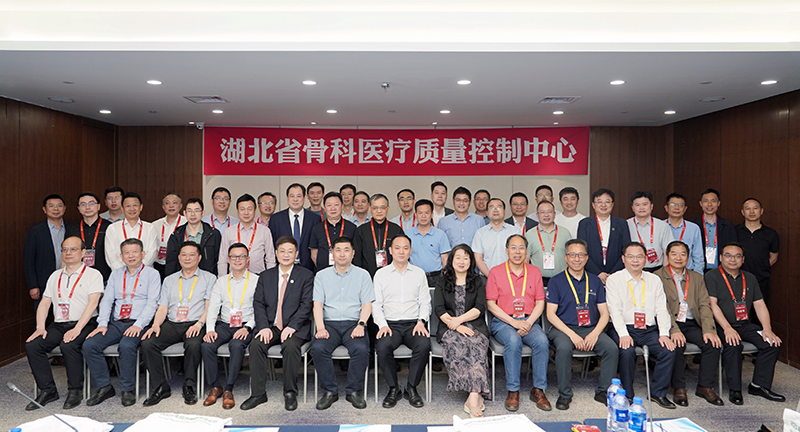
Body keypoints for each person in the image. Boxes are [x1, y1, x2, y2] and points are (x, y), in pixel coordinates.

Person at [25, 236, 103, 410]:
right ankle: (48, 390)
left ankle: (75, 390)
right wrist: (40, 327)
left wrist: (77, 329)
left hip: (85, 323)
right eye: (64, 249)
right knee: (33, 345)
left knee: (69, 345)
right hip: (59, 324)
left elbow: (93, 303)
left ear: (83, 252)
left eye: (73, 249)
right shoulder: (55, 276)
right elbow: (45, 302)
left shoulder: (93, 274)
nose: (68, 253)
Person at [83, 238, 161, 407]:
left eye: (135, 252)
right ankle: (104, 387)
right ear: (121, 256)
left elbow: (152, 303)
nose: (131, 256)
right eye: (126, 252)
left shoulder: (152, 274)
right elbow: (107, 300)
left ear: (143, 254)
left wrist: (139, 324)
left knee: (126, 346)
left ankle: (127, 389)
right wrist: (102, 323)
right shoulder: (116, 274)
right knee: (90, 344)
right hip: (117, 323)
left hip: (140, 323)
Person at [706, 242, 784, 405]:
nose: (732, 259)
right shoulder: (711, 276)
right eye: (728, 255)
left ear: (743, 259)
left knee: (771, 343)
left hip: (744, 324)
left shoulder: (749, 277)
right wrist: (727, 328)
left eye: (737, 256)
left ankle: (759, 385)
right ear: (720, 258)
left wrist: (767, 329)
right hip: (720, 325)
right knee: (733, 344)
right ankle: (735, 389)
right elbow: (712, 305)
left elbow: (759, 304)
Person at [242, 236, 314, 411]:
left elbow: (306, 305)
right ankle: (258, 393)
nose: (286, 255)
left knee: (290, 346)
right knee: (256, 345)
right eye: (282, 251)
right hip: (271, 326)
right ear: (276, 253)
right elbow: (258, 303)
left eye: (290, 251)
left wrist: (292, 326)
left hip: (295, 327)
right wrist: (264, 327)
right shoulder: (266, 276)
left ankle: (290, 393)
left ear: (296, 254)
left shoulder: (306, 275)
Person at [546, 239, 618, 410]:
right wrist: (572, 335)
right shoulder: (556, 281)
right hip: (563, 329)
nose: (576, 259)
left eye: (580, 255)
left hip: (590, 328)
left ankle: (603, 391)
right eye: (572, 255)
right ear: (566, 257)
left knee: (611, 349)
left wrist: (594, 334)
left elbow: (604, 313)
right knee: (564, 348)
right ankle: (565, 394)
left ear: (586, 258)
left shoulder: (595, 281)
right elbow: (550, 314)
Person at [141, 241, 215, 406]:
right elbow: (163, 307)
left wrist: (199, 324)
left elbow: (210, 307)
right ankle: (160, 386)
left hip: (196, 322)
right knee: (148, 343)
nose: (187, 258)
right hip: (173, 323)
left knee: (194, 345)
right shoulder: (169, 280)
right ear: (179, 258)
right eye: (184, 255)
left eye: (192, 255)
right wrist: (156, 324)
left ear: (199, 258)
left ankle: (189, 386)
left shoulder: (209, 278)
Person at [606, 242, 676, 408]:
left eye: (639, 256)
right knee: (627, 351)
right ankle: (627, 395)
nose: (635, 260)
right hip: (623, 327)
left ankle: (658, 393)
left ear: (646, 259)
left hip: (648, 329)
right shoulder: (614, 279)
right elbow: (614, 310)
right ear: (623, 259)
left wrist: (664, 334)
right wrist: (623, 334)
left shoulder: (654, 279)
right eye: (631, 256)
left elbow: (661, 308)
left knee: (668, 350)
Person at [486, 234, 551, 412]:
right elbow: (491, 304)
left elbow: (540, 303)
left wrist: (528, 322)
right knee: (513, 341)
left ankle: (538, 389)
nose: (517, 252)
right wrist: (514, 323)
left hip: (529, 320)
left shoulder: (534, 271)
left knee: (542, 341)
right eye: (513, 247)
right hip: (503, 321)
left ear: (526, 251)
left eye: (521, 248)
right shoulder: (496, 272)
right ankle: (513, 391)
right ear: (506, 251)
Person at [655, 241, 723, 406]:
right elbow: (661, 307)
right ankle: (679, 388)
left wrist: (708, 329)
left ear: (688, 257)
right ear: (667, 256)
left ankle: (705, 386)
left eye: (683, 254)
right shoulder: (657, 276)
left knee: (712, 344)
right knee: (677, 345)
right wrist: (673, 329)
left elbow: (704, 305)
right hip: (669, 323)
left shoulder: (697, 277)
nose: (678, 257)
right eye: (674, 254)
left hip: (692, 323)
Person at [311, 236, 375, 410]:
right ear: (332, 253)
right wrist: (320, 328)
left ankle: (353, 391)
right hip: (329, 324)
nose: (342, 254)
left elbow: (367, 304)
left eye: (346, 250)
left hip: (354, 323)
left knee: (361, 349)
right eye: (338, 250)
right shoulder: (321, 276)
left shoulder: (363, 275)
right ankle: (329, 392)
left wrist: (361, 325)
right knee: (318, 348)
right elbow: (317, 305)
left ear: (353, 253)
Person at [373, 234, 431, 408]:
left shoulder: (419, 273)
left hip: (414, 323)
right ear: (390, 251)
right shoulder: (381, 274)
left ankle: (411, 387)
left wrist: (421, 321)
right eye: (397, 248)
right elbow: (376, 304)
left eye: (405, 248)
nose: (401, 251)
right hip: (390, 325)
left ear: (410, 251)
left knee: (424, 345)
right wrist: (382, 325)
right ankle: (394, 388)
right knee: (382, 346)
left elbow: (425, 302)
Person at [433, 244, 490, 418]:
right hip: (449, 326)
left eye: (466, 258)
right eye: (458, 257)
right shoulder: (442, 281)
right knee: (458, 344)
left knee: (476, 344)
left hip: (474, 325)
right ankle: (476, 396)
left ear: (471, 261)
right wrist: (456, 325)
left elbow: (480, 308)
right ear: (451, 260)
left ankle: (473, 396)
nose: (462, 261)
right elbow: (439, 309)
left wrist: (460, 320)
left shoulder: (478, 281)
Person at [202, 243, 259, 409]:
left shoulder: (257, 280)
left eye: (242, 256)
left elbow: (260, 309)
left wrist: (248, 327)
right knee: (207, 345)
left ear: (248, 259)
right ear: (228, 259)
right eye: (234, 256)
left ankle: (228, 389)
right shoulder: (221, 281)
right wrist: (210, 329)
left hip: (246, 325)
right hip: (225, 324)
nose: (237, 260)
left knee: (236, 345)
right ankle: (216, 386)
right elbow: (213, 307)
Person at [25, 194, 73, 312]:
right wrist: (33, 285)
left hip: (69, 282)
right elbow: (28, 260)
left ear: (64, 208)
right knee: (43, 316)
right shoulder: (35, 231)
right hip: (44, 283)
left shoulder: (72, 228)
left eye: (59, 206)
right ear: (44, 209)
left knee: (67, 316)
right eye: (51, 206)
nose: (56, 209)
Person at [577, 189, 631, 284]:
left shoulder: (621, 223)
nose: (603, 205)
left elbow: (626, 250)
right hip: (591, 274)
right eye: (599, 202)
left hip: (617, 274)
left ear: (612, 204)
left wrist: (613, 273)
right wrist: (598, 273)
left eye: (607, 201)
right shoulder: (584, 224)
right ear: (593, 205)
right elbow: (581, 250)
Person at [218, 194, 276, 276]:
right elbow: (223, 260)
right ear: (237, 210)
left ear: (255, 210)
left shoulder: (265, 231)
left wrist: (271, 279)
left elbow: (270, 259)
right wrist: (222, 279)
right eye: (242, 209)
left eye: (249, 209)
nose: (246, 213)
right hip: (235, 277)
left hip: (258, 277)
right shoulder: (228, 232)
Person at [735, 198, 779, 306]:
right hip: (737, 279)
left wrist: (762, 267)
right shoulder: (734, 231)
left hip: (761, 280)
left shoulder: (771, 234)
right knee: (738, 312)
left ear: (761, 211)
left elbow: (774, 256)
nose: (751, 212)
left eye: (755, 208)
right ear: (742, 212)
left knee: (760, 311)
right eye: (747, 208)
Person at [270, 183, 321, 271]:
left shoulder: (315, 219)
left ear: (304, 198)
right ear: (287, 198)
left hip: (308, 269)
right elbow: (272, 245)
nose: (295, 199)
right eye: (292, 196)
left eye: (299, 196)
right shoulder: (276, 219)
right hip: (283, 267)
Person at [166, 197, 221, 276]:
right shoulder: (176, 235)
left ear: (203, 213)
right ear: (184, 213)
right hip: (182, 278)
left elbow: (218, 261)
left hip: (207, 279)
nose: (193, 214)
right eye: (189, 211)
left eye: (196, 210)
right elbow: (171, 263)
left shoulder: (213, 234)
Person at [352, 193, 403, 278]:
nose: (379, 211)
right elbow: (357, 258)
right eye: (375, 208)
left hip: (392, 277)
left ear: (388, 209)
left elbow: (401, 254)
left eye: (382, 208)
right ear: (370, 209)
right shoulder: (361, 231)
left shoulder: (396, 230)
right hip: (367, 277)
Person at [104, 192, 158, 270]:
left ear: (141, 207)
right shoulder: (112, 228)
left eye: (135, 205)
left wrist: (139, 269)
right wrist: (124, 271)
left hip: (145, 272)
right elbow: (110, 254)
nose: (132, 209)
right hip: (120, 273)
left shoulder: (150, 227)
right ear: (122, 208)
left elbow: (152, 252)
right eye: (128, 206)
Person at [66, 192, 112, 282]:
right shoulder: (72, 228)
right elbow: (67, 252)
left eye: (91, 203)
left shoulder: (109, 227)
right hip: (78, 278)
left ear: (98, 206)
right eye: (83, 204)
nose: (87, 207)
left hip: (105, 278)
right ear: (79, 208)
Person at [405, 199, 450, 287]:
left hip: (436, 277)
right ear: (415, 215)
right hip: (413, 276)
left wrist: (447, 278)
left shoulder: (440, 234)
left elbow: (445, 259)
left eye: (427, 213)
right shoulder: (407, 234)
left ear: (432, 214)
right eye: (420, 213)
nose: (423, 216)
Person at [310, 192, 357, 273]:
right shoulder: (316, 228)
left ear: (342, 206)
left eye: (336, 205)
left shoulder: (352, 227)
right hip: (323, 273)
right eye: (329, 205)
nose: (333, 208)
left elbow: (355, 252)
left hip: (347, 272)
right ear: (324, 208)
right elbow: (314, 255)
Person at [526, 201, 572, 286]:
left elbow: (571, 256)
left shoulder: (565, 233)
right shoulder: (529, 234)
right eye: (542, 212)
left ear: (554, 214)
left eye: (549, 212)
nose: (546, 215)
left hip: (562, 279)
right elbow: (526, 259)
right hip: (538, 280)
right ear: (537, 215)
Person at [691, 188, 737, 272]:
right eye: (706, 201)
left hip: (722, 271)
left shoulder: (727, 225)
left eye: (713, 201)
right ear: (700, 203)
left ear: (718, 203)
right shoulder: (693, 225)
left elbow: (733, 248)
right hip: (698, 271)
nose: (709, 204)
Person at [472, 198, 519, 277]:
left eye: (499, 207)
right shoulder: (480, 233)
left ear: (504, 211)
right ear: (487, 212)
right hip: (486, 277)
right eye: (492, 207)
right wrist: (491, 276)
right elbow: (478, 259)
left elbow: (519, 256)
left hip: (511, 277)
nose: (495, 210)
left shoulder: (515, 231)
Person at [627, 191, 673, 272]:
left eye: (645, 204)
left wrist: (664, 273)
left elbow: (667, 252)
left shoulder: (662, 226)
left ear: (651, 206)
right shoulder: (626, 225)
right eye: (637, 205)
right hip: (632, 269)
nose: (641, 208)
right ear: (633, 208)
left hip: (657, 270)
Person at [663, 193, 704, 273]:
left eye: (680, 205)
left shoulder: (694, 228)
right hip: (665, 273)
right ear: (666, 208)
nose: (676, 208)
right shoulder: (660, 226)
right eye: (672, 205)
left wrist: (698, 275)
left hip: (688, 272)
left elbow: (698, 256)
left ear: (685, 209)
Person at [152, 192, 187, 280]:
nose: (171, 206)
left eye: (174, 203)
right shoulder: (155, 225)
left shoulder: (186, 223)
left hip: (179, 266)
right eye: (167, 203)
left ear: (180, 206)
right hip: (160, 265)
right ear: (163, 207)